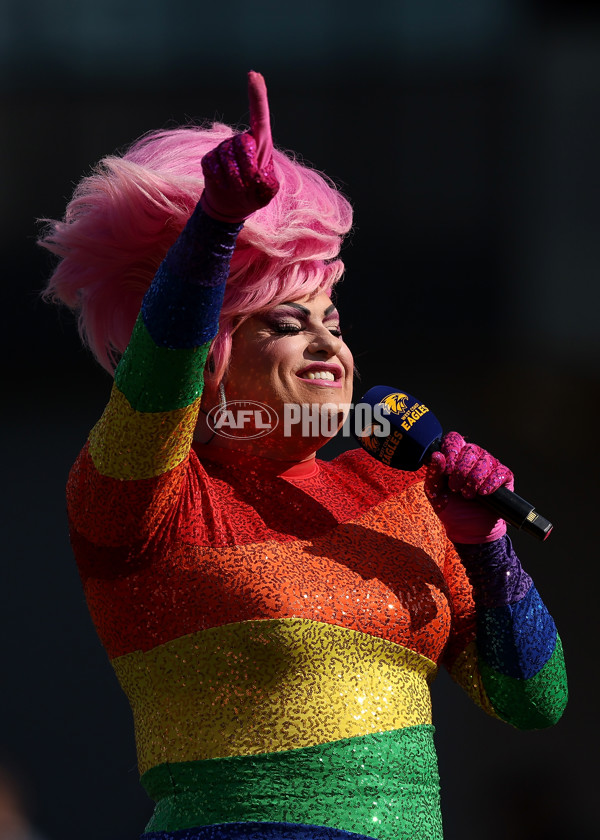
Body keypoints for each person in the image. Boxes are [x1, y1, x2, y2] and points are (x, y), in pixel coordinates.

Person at [40, 72, 567, 840]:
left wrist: (486, 547)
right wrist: (216, 226)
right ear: (212, 355)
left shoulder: (394, 488)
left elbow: (533, 701)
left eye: (335, 320)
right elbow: (158, 381)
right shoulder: (145, 497)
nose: (329, 345)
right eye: (288, 322)